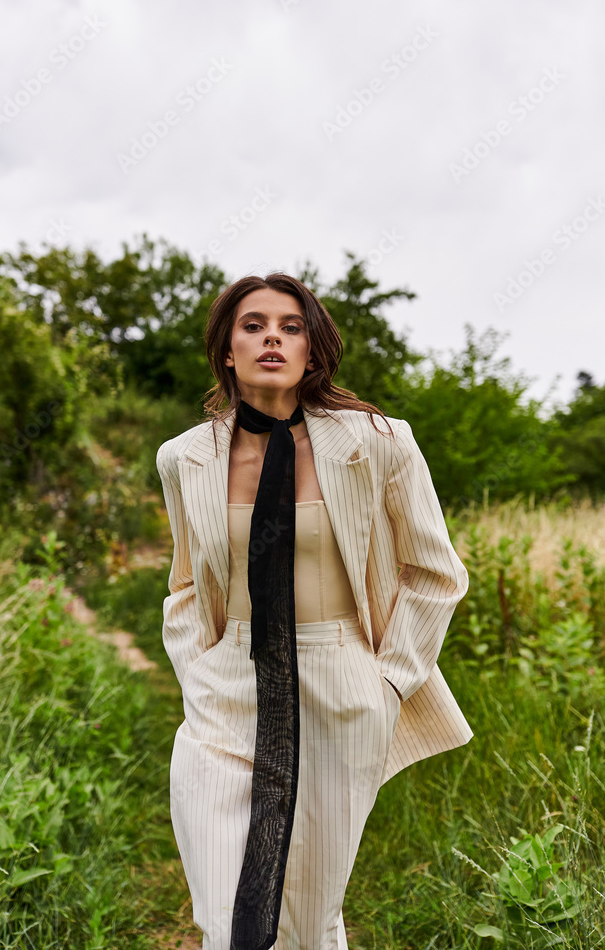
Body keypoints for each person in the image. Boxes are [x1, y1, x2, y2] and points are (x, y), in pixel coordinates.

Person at [156, 272, 472, 950]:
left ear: (312, 349)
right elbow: (184, 586)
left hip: (342, 683)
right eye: (252, 324)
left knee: (306, 914)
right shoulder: (183, 459)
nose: (272, 334)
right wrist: (196, 673)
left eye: (290, 325)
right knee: (225, 912)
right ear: (226, 349)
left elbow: (434, 573)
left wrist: (388, 683)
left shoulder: (379, 444)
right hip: (227, 685)